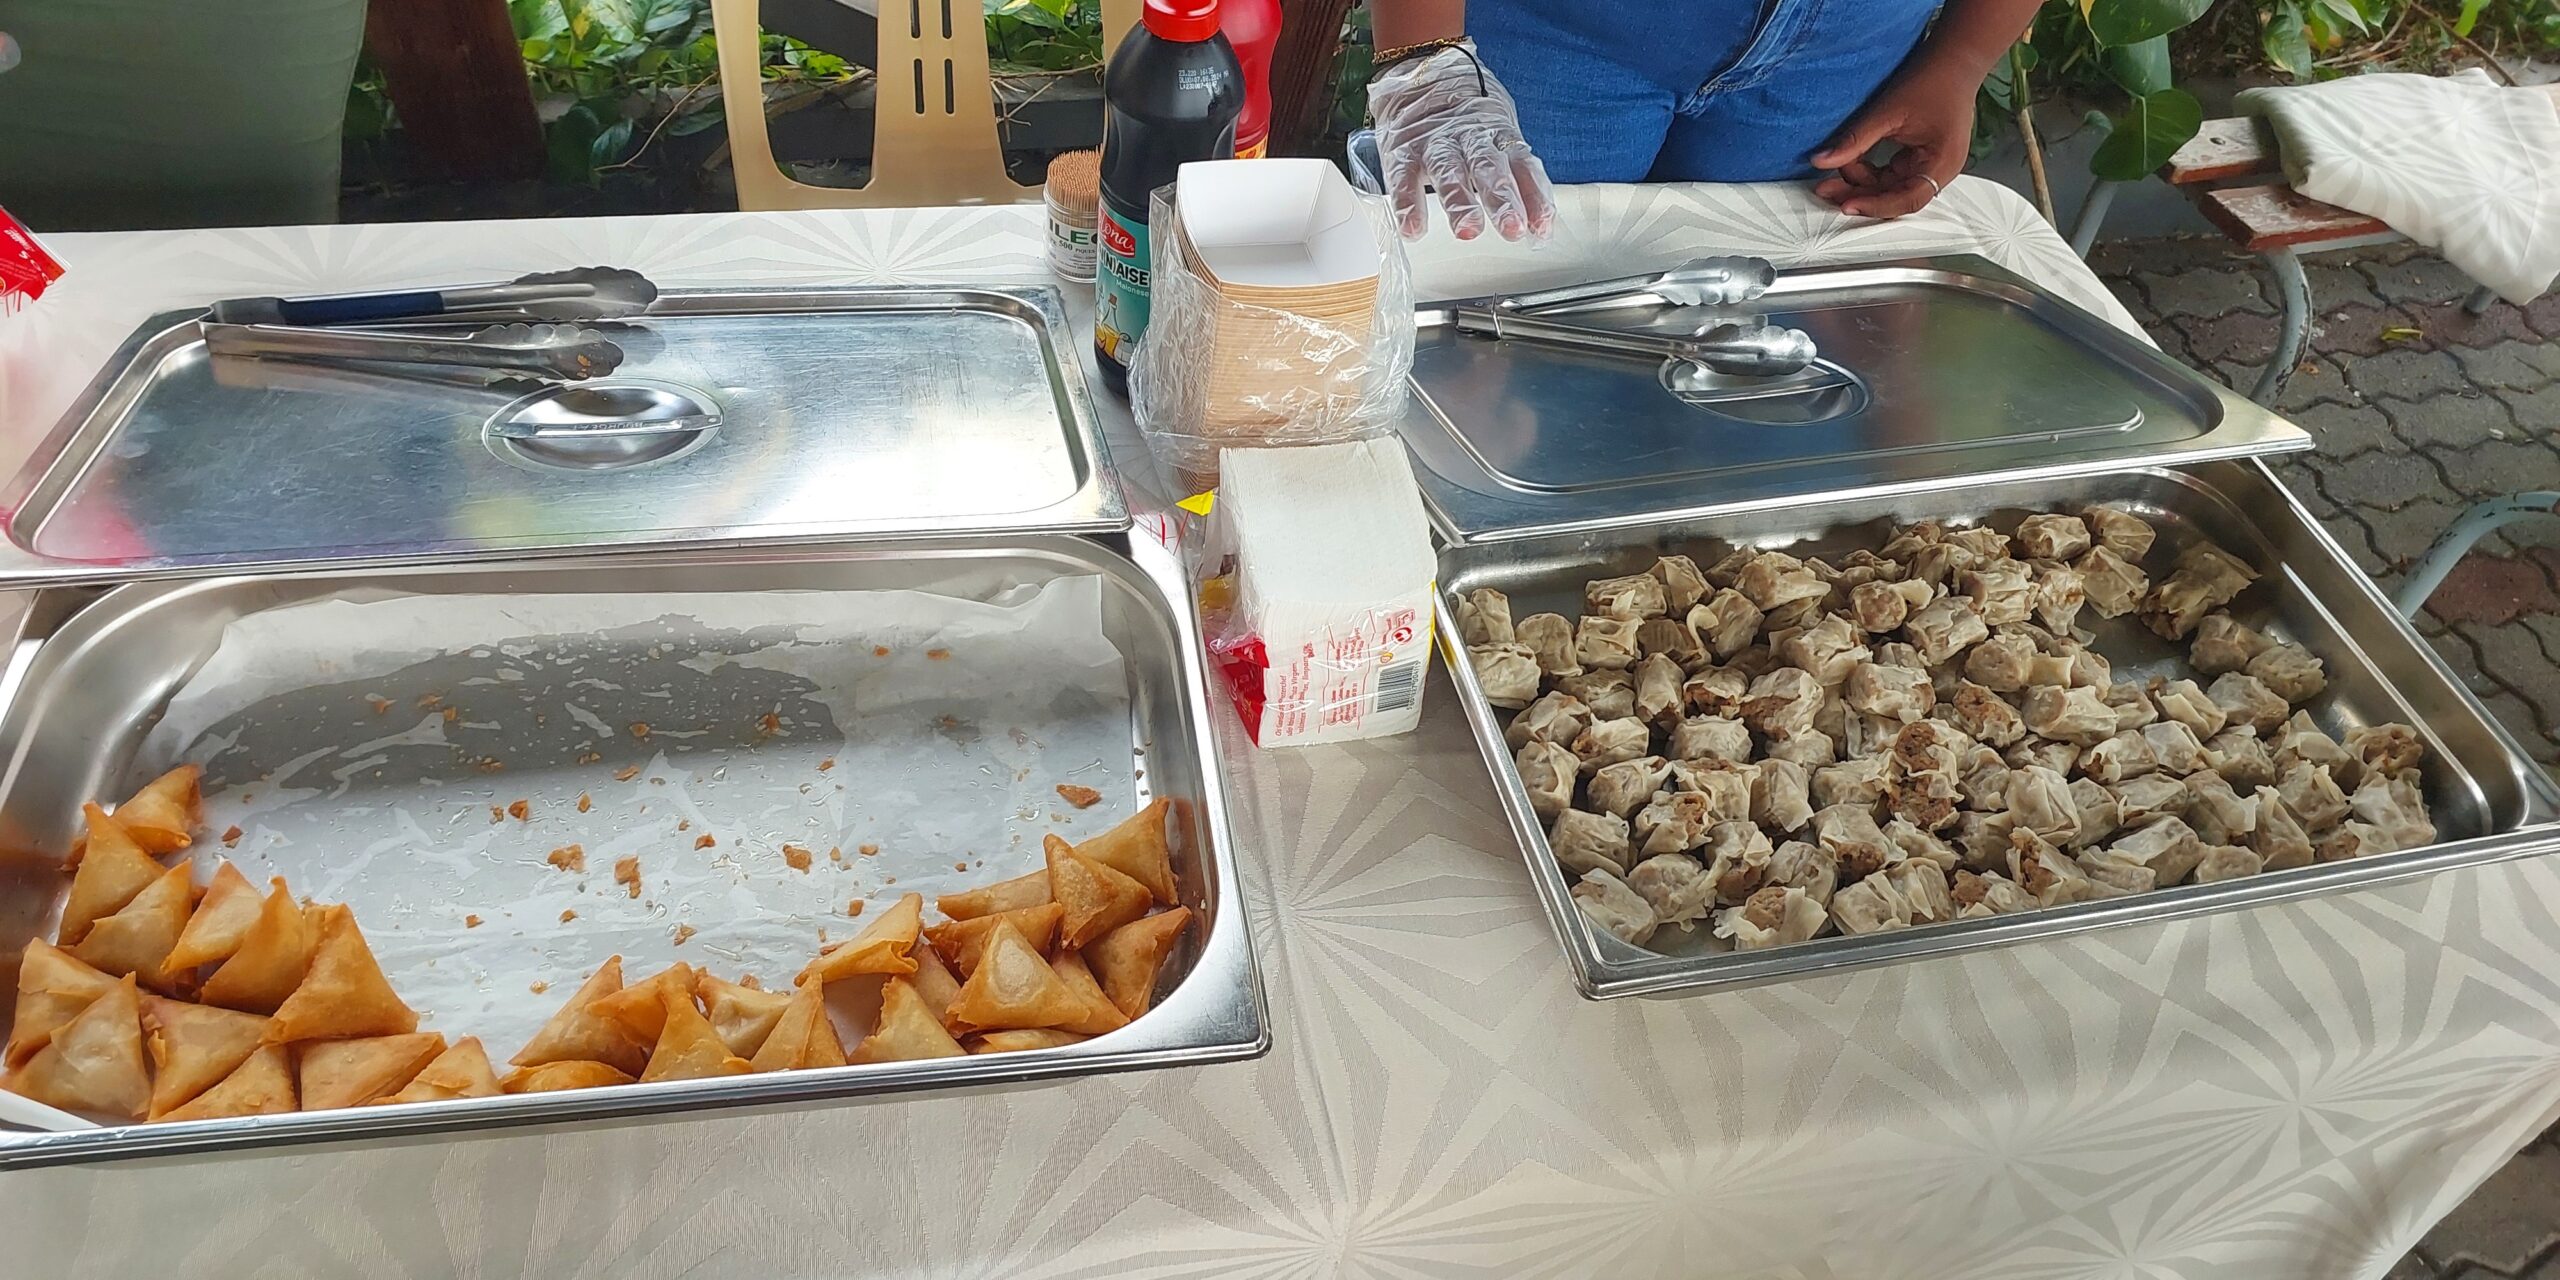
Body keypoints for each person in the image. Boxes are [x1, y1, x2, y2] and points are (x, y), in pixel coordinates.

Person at [1365, 0, 2044, 241]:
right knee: (1489, 321)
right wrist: (1424, 55)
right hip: (1566, 28)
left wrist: (1963, 58)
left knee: (1753, 364)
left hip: (1843, 53)